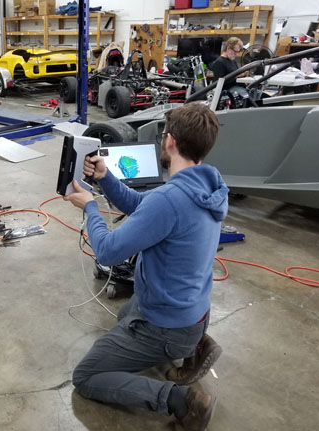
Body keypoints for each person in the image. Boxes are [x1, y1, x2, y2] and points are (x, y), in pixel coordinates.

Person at [63, 103, 228, 431]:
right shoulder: (207, 187)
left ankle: (182, 401)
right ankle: (196, 345)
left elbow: (107, 252)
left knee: (86, 376)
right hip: (194, 312)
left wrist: (91, 207)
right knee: (126, 314)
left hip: (168, 327)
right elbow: (143, 205)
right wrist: (105, 177)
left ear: (170, 141)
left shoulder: (170, 199)